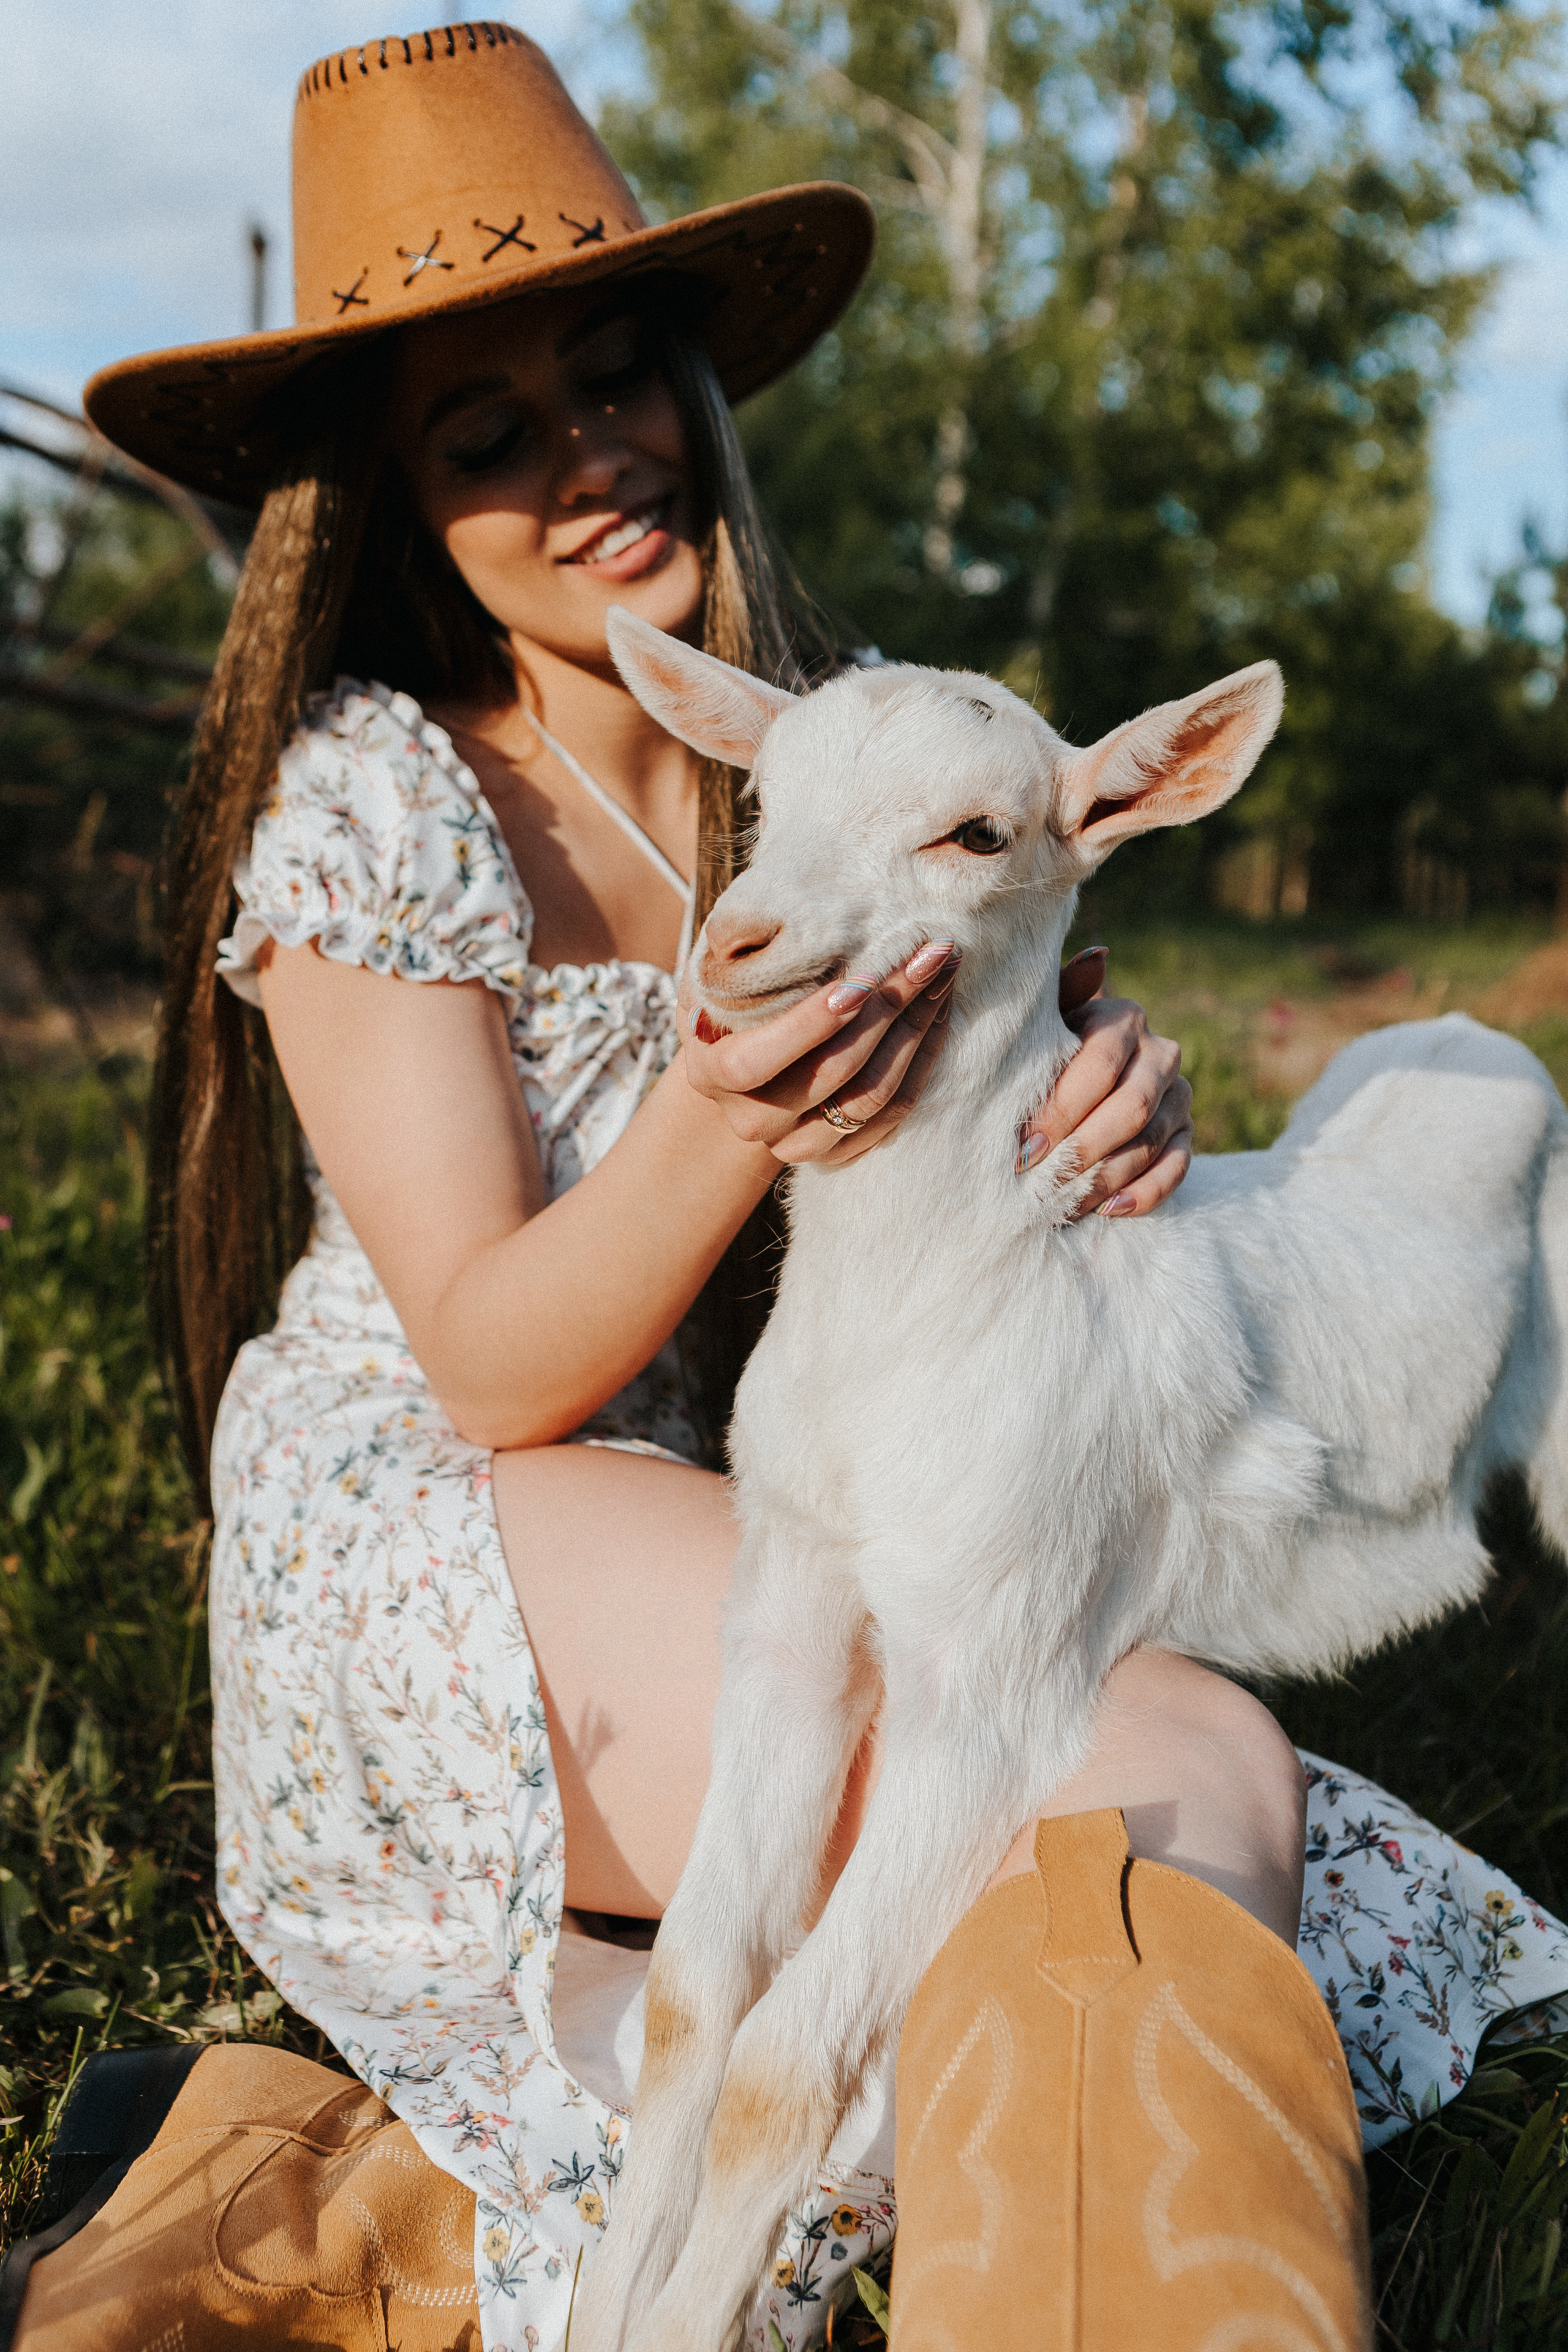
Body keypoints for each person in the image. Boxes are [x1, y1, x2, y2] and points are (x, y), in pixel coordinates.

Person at [18, 22, 1568, 2352]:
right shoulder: (385, 800)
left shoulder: (851, 728)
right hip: (454, 1519)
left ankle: (501, 2212)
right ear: (394, 493)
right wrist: (733, 1099)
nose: (587, 453)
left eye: (615, 372)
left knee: (1186, 1797)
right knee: (1166, 1779)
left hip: (809, 1481)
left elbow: (1026, 1042)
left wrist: (1108, 1087)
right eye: (487, 431)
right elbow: (490, 1355)